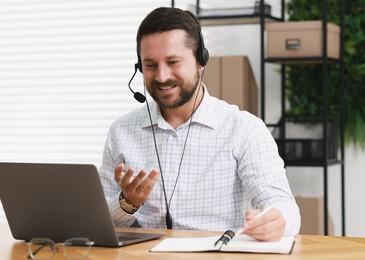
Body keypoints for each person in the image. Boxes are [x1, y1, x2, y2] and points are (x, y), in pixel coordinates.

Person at [99, 6, 300, 242]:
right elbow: (97, 220)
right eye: (150, 65)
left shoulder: (244, 129)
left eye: (173, 62)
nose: (162, 76)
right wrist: (127, 203)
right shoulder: (121, 132)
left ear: (200, 61)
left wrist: (276, 220)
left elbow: (283, 206)